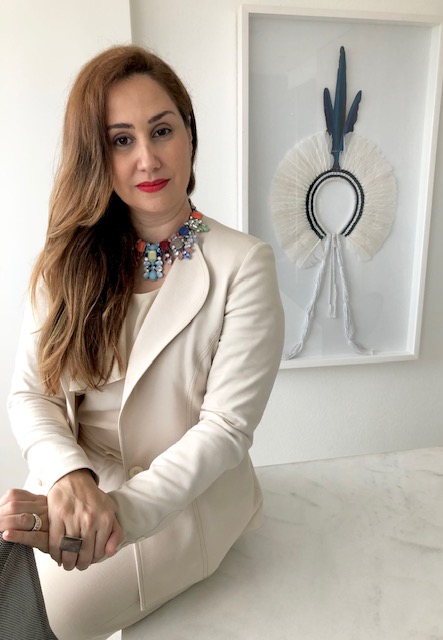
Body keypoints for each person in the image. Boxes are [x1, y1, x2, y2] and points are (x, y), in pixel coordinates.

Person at [0, 44, 284, 640]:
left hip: (179, 509)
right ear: (95, 155)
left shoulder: (243, 264)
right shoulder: (66, 259)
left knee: (28, 621)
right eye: (121, 140)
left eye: (161, 130)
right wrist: (69, 477)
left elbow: (226, 429)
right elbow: (31, 394)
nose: (147, 158)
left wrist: (113, 516)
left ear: (190, 134)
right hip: (75, 491)